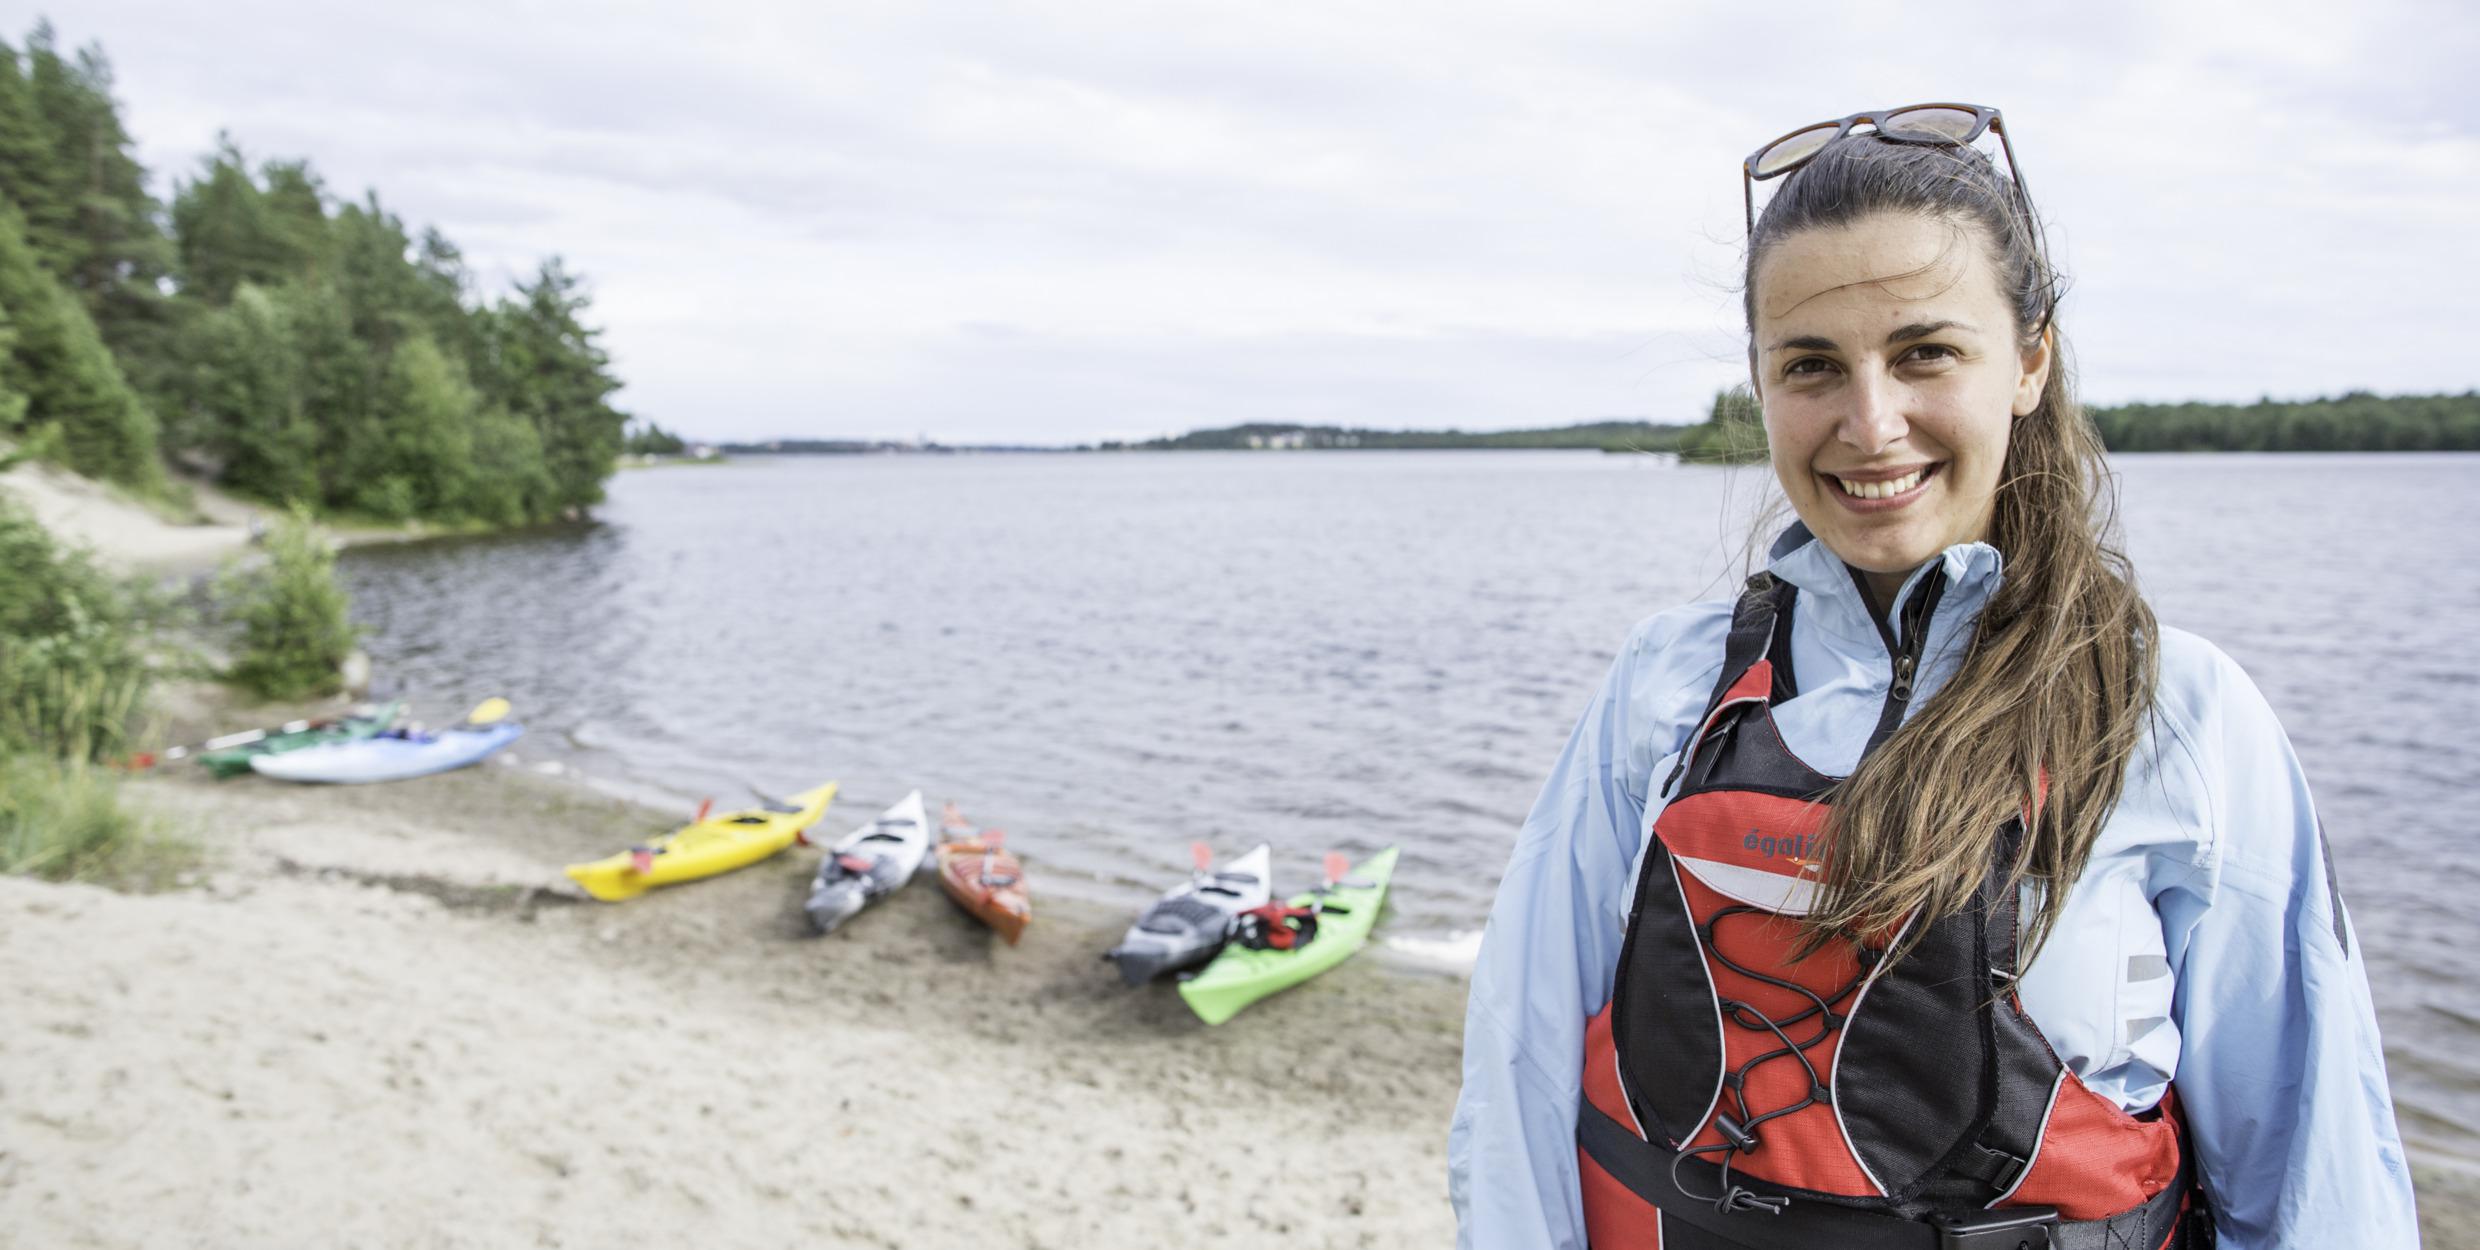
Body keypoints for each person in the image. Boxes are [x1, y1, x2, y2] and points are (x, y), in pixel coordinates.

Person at [1447, 105, 2416, 1250]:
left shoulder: (2170, 713)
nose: (1870, 424)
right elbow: (1519, 1054)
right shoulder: (1664, 684)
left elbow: (2309, 1157)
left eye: (1924, 353)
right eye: (1811, 365)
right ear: (1759, 383)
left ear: (2028, 361)